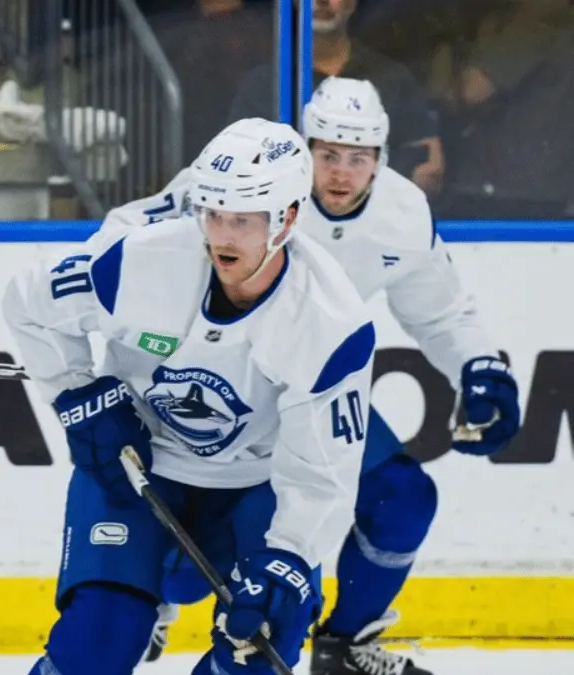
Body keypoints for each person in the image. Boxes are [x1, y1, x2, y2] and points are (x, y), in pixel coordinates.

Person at [143, 77, 521, 675]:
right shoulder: (245, 185)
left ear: (381, 159)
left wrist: (480, 365)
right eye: (327, 155)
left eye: (358, 158)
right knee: (193, 563)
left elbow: (442, 313)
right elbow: (136, 246)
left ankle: (343, 645)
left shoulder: (400, 214)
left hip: (311, 396)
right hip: (216, 391)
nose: (341, 174)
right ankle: (151, 600)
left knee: (403, 499)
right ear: (305, 149)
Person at [2, 117, 376, 675]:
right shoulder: (141, 260)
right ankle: (141, 598)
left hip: (253, 488)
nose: (223, 233)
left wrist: (290, 556)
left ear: (288, 218)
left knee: (259, 648)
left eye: (244, 219)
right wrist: (78, 394)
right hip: (135, 466)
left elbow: (323, 475)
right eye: (214, 213)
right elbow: (29, 301)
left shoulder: (329, 323)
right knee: (97, 641)